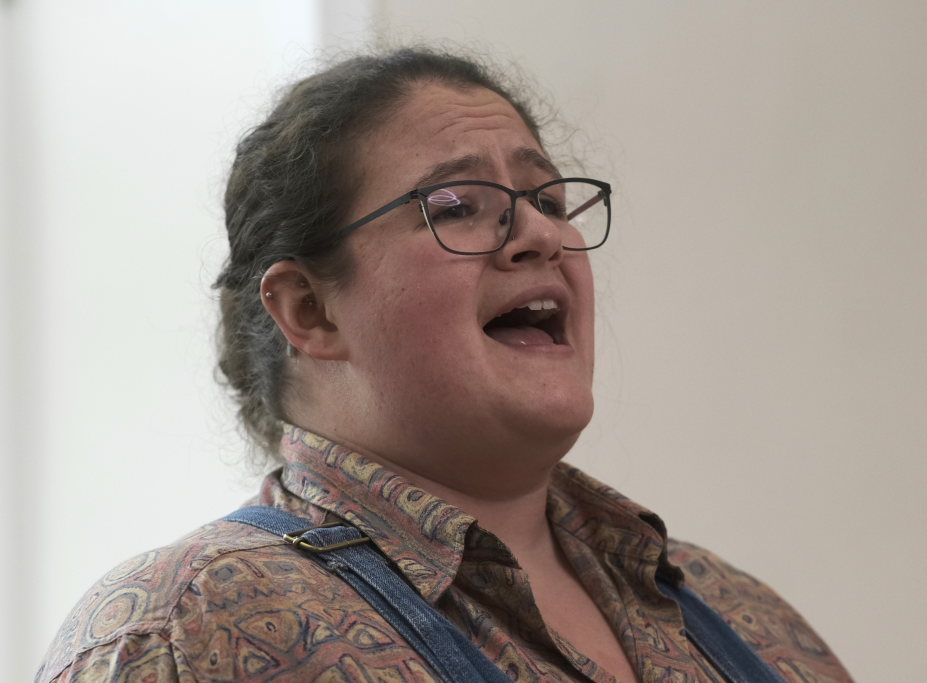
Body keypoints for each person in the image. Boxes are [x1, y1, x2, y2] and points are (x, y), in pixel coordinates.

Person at [37, 48, 852, 682]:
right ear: (310, 310)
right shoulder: (185, 632)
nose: (541, 234)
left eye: (548, 200)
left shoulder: (748, 616)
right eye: (459, 206)